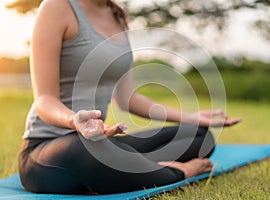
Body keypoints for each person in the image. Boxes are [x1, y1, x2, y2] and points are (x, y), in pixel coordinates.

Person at [18, 0, 242, 195]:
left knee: (200, 138)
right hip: (48, 150)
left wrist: (191, 117)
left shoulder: (118, 18)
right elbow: (44, 100)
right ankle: (176, 171)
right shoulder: (56, 7)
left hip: (102, 143)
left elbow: (127, 98)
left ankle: (126, 168)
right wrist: (74, 120)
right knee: (88, 148)